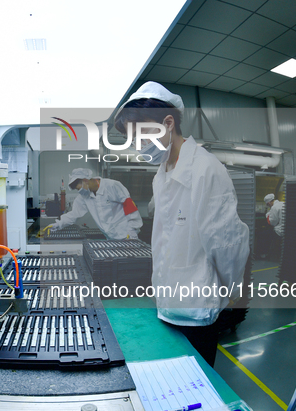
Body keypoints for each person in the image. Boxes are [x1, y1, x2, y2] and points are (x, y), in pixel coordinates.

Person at [114, 81, 250, 367]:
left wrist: (225, 292)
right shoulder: (160, 174)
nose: (138, 145)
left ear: (168, 122)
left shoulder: (205, 169)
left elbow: (228, 245)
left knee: (197, 393)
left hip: (196, 313)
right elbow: (165, 241)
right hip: (166, 304)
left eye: (141, 135)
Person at [45, 168, 142, 240]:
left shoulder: (111, 186)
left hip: (127, 235)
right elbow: (74, 214)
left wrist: (132, 230)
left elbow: (129, 206)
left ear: (86, 180)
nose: (80, 192)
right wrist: (57, 225)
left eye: (79, 188)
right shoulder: (84, 196)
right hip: (110, 238)